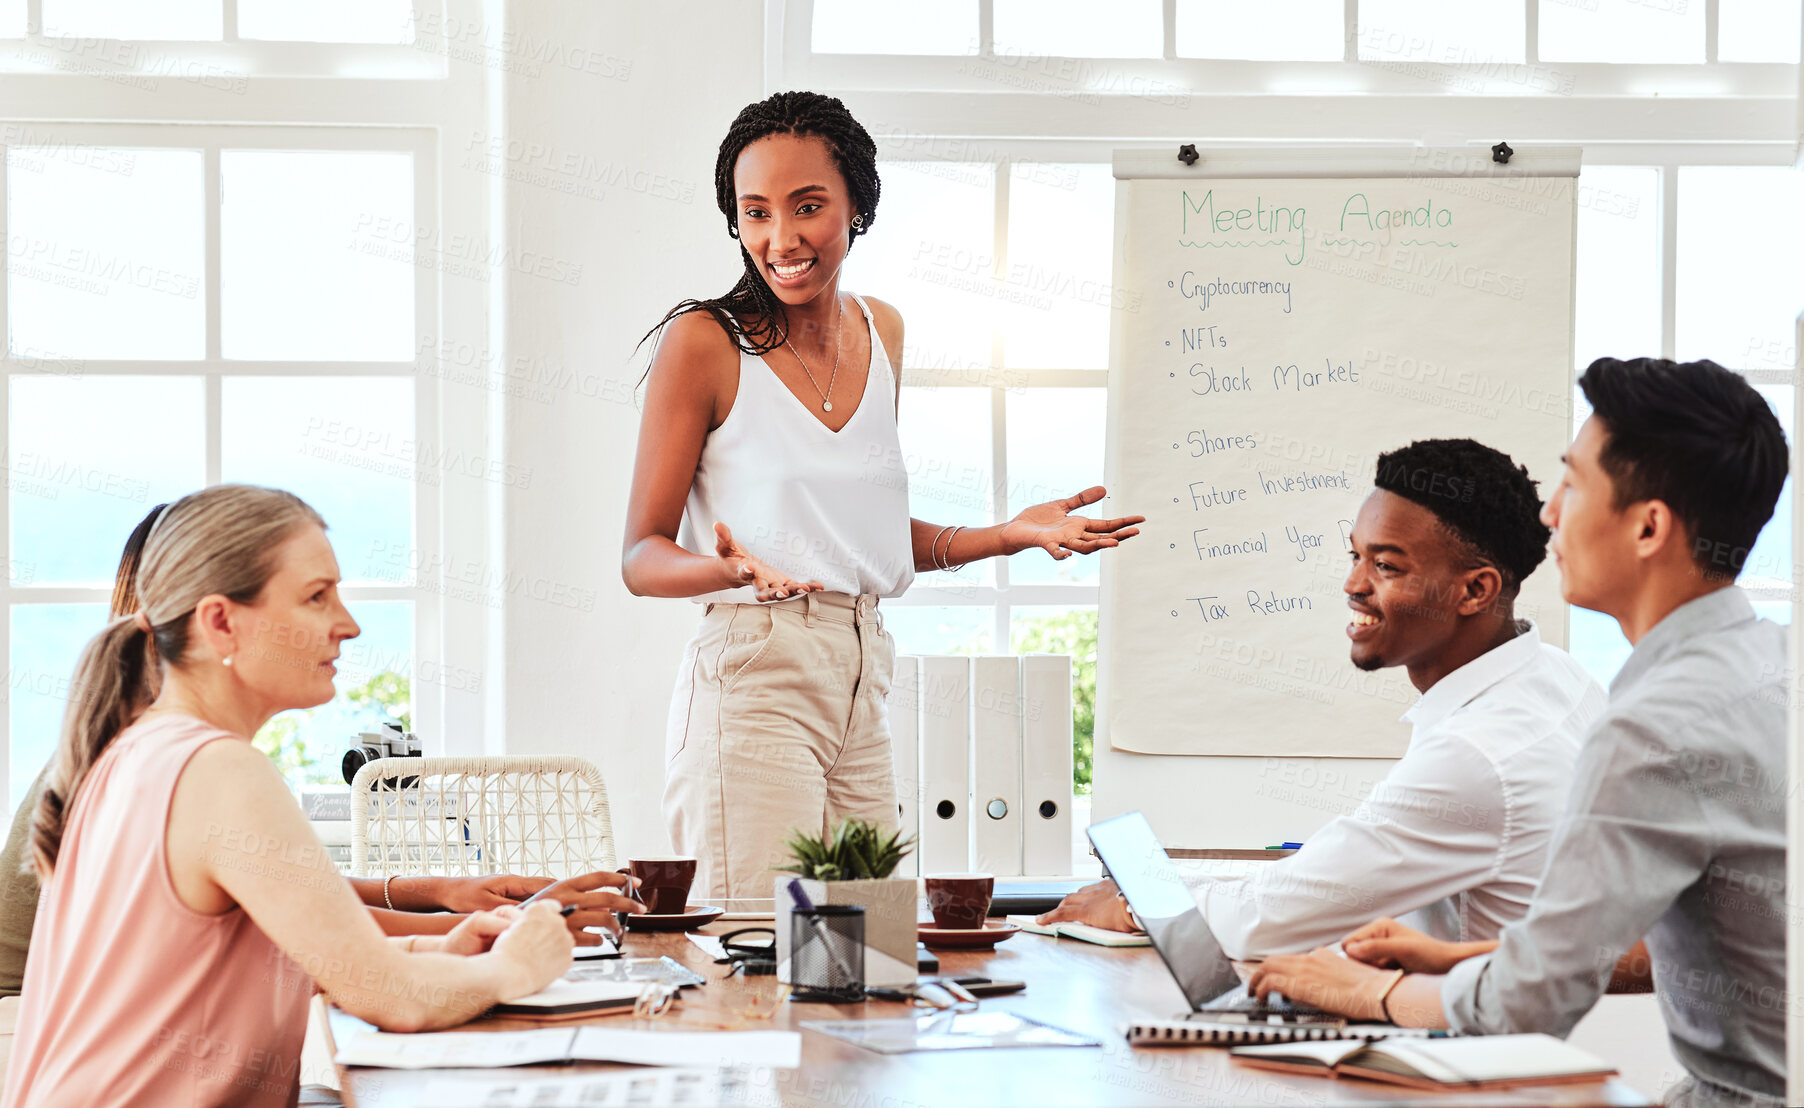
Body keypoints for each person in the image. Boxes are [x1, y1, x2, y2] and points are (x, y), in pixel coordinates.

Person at [623, 90, 1143, 903]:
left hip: (864, 671)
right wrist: (730, 572)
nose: (781, 239)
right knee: (759, 947)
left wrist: (1006, 534)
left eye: (807, 207)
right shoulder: (705, 342)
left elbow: (864, 536)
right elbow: (641, 556)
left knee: (869, 951)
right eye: (754, 212)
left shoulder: (883, 331)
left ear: (857, 206)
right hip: (753, 673)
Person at [1249, 358, 1789, 1108]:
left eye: (1574, 484)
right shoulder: (1770, 664)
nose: (1548, 515)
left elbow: (1525, 1007)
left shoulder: (1654, 723)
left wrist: (1374, 991)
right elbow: (1713, 939)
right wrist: (1468, 956)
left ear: (1648, 526)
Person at [2, 486, 590, 1108]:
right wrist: (519, 965)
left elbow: (273, 958)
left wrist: (438, 946)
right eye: (317, 596)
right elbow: (395, 998)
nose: (349, 624)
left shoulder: (137, 753)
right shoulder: (216, 770)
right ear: (221, 622)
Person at [1038, 439, 1605, 957]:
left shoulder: (1479, 754)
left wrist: (1135, 905)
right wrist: (1153, 887)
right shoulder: (1557, 676)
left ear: (1475, 590)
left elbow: (1268, 920)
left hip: (1487, 1053)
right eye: (1355, 556)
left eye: (1385, 565)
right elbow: (1308, 890)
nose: (1354, 584)